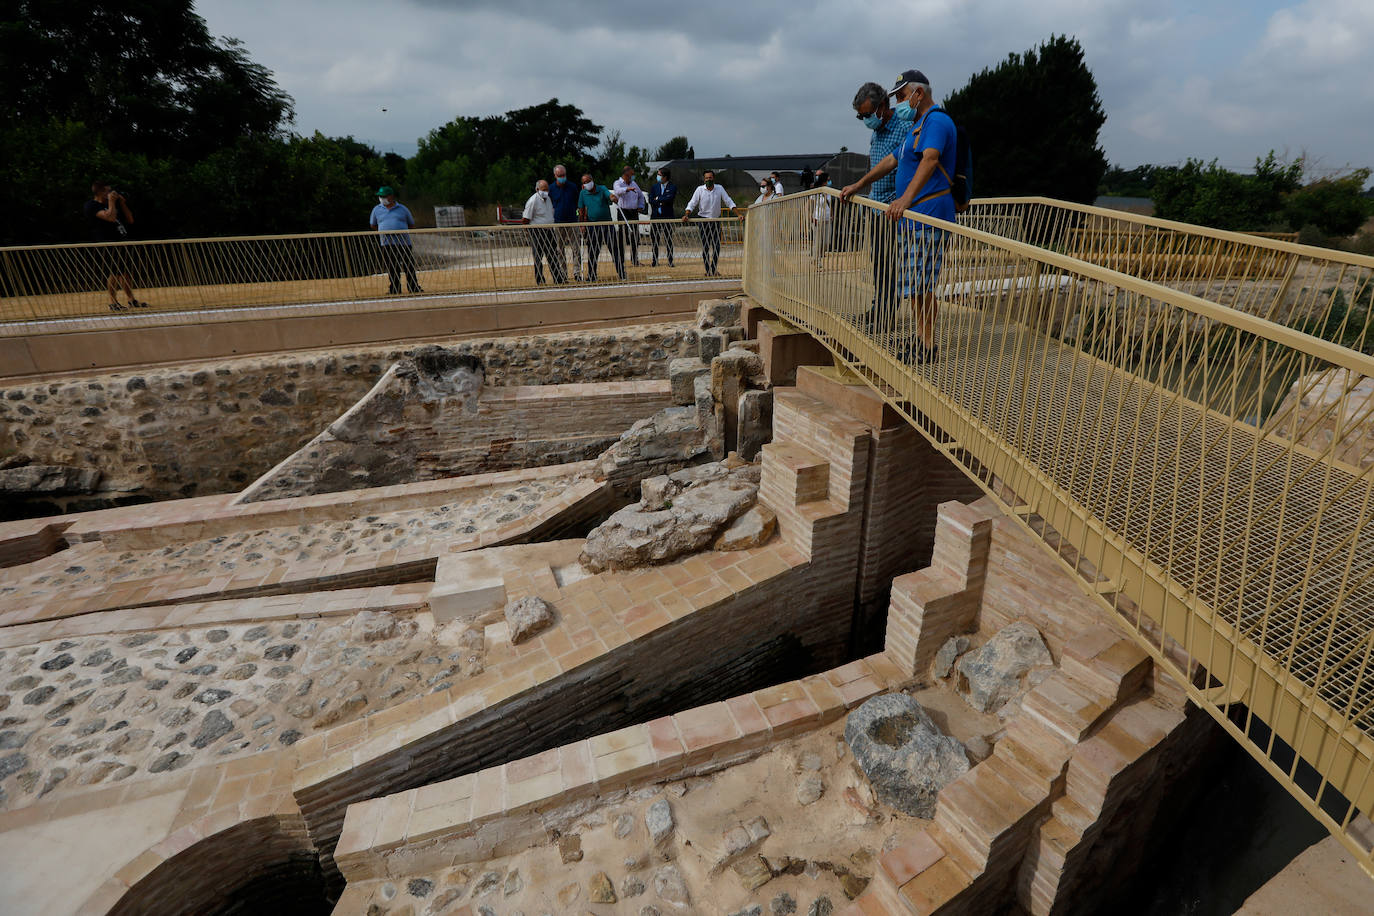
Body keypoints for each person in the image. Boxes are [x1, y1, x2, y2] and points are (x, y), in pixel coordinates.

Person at [841, 69, 957, 363]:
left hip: (926, 210)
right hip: (912, 214)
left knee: (923, 283)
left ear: (919, 93)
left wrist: (904, 199)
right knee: (916, 283)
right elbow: (891, 161)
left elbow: (930, 160)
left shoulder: (937, 121)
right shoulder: (917, 127)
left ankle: (928, 344)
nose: (900, 102)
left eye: (902, 96)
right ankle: (920, 336)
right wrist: (859, 184)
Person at [852, 80, 905, 315]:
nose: (866, 121)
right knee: (878, 262)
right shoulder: (876, 132)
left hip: (892, 208)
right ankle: (879, 306)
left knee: (890, 263)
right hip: (875, 208)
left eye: (868, 114)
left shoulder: (904, 127)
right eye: (861, 117)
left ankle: (887, 310)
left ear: (883, 105)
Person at [85, 182, 145, 311]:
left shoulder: (112, 204)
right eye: (108, 191)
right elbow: (110, 218)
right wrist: (111, 202)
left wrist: (122, 203)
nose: (110, 193)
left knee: (126, 273)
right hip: (108, 243)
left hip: (121, 241)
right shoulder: (91, 205)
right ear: (100, 192)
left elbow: (130, 219)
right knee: (115, 273)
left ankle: (131, 300)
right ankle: (113, 302)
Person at [681, 169, 739, 277]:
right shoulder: (699, 190)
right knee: (706, 247)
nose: (708, 180)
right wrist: (686, 215)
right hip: (703, 221)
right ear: (704, 179)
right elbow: (692, 203)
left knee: (717, 246)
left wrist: (738, 214)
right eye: (707, 178)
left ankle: (714, 269)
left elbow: (728, 201)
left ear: (714, 178)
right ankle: (708, 270)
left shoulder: (719, 188)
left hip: (716, 221)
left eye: (710, 178)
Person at [370, 186, 423, 294]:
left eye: (384, 196)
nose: (381, 198)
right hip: (387, 243)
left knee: (409, 266)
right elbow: (373, 225)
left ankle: (413, 287)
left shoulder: (403, 209)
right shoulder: (376, 209)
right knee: (392, 267)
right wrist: (384, 231)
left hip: (403, 242)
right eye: (380, 196)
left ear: (391, 196)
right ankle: (395, 288)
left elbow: (411, 224)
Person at [578, 173, 625, 281]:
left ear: (592, 180)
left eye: (587, 181)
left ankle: (622, 273)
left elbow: (610, 195)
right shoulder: (583, 193)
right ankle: (592, 275)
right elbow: (581, 210)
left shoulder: (601, 188)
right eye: (584, 183)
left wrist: (613, 198)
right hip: (592, 226)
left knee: (614, 250)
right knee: (593, 252)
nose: (586, 184)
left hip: (607, 225)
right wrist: (581, 225)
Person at [521, 179, 565, 284]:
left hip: (549, 231)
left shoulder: (548, 199)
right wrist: (529, 232)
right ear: (537, 189)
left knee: (553, 255)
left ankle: (558, 278)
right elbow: (525, 219)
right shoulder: (532, 201)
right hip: (537, 231)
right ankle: (540, 279)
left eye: (547, 189)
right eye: (543, 189)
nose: (546, 191)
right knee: (538, 257)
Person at [550, 164, 584, 280]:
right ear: (555, 175)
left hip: (572, 222)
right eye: (560, 175)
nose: (562, 177)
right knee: (559, 250)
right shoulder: (551, 189)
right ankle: (563, 273)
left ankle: (577, 273)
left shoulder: (573, 187)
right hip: (558, 223)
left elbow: (577, 203)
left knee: (576, 249)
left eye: (564, 175)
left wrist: (579, 219)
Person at [612, 166, 646, 267]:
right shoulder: (617, 183)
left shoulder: (634, 183)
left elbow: (641, 196)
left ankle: (635, 260)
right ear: (626, 174)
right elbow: (617, 191)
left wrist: (640, 206)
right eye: (632, 174)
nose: (633, 176)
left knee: (635, 236)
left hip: (634, 212)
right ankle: (621, 261)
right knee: (622, 237)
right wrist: (627, 189)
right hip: (623, 212)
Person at [649, 168, 678, 267]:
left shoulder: (672, 187)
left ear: (665, 177)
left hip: (668, 217)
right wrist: (660, 200)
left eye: (659, 175)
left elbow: (670, 198)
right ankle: (654, 261)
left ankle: (670, 261)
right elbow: (650, 200)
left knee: (668, 239)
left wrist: (658, 198)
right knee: (655, 240)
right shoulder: (654, 187)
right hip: (656, 217)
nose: (658, 176)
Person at [811, 171, 833, 264]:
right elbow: (810, 205)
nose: (829, 182)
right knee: (818, 241)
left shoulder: (829, 192)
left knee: (827, 242)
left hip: (827, 220)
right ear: (824, 181)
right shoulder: (816, 192)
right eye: (828, 180)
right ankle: (816, 259)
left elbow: (830, 205)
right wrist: (812, 218)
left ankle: (819, 256)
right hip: (818, 219)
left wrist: (832, 215)